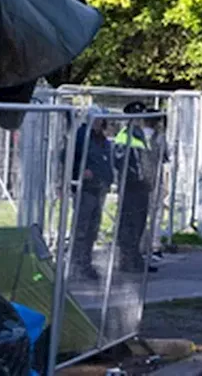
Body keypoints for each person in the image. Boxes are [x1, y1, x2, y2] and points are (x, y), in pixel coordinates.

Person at [114, 101, 159, 274]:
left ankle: (135, 259)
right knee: (129, 224)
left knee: (139, 224)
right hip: (130, 187)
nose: (141, 120)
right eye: (138, 116)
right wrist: (137, 178)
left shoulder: (140, 135)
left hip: (142, 187)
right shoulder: (125, 135)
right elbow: (122, 162)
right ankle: (126, 260)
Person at [70, 108, 114, 281]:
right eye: (98, 120)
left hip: (99, 187)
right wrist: (79, 172)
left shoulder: (101, 138)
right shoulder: (82, 135)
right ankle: (76, 265)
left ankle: (86, 263)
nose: (100, 123)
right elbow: (69, 157)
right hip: (86, 188)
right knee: (82, 228)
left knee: (92, 229)